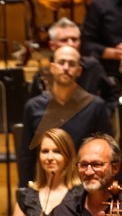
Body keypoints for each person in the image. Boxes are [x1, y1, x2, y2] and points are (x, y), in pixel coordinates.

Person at [18, 45, 112, 187]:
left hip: (83, 186)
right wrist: (25, 190)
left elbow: (106, 151)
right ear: (52, 67)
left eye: (72, 64)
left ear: (79, 71)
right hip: (46, 186)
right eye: (61, 62)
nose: (66, 67)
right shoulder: (33, 107)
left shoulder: (95, 106)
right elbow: (26, 155)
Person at [7, 128, 79, 216]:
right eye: (45, 151)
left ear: (68, 155)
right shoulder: (27, 194)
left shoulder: (80, 194)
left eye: (57, 151)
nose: (50, 157)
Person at [27, 17, 118, 106]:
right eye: (64, 40)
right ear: (52, 46)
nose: (71, 44)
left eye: (74, 40)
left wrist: (102, 115)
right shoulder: (42, 75)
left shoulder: (93, 66)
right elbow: (34, 107)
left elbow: (113, 95)